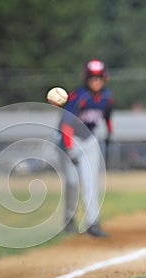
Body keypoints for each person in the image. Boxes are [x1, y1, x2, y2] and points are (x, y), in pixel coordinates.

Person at [58, 58, 114, 237]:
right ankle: (69, 219)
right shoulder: (78, 96)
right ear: (86, 78)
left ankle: (92, 223)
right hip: (69, 139)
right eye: (92, 76)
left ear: (104, 77)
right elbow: (65, 124)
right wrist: (69, 148)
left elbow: (107, 117)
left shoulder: (107, 97)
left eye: (98, 76)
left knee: (90, 181)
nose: (95, 80)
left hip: (89, 139)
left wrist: (110, 134)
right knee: (73, 182)